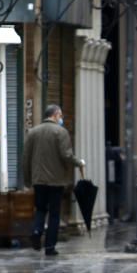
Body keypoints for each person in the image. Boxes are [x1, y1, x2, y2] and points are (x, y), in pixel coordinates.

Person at [21, 104, 85, 256]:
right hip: (56, 181)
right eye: (61, 116)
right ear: (55, 115)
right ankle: (50, 247)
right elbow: (66, 155)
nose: (61, 119)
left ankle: (37, 231)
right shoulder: (61, 132)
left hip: (39, 181)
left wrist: (28, 180)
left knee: (41, 209)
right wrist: (79, 163)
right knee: (55, 213)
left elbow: (26, 158)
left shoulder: (33, 132)